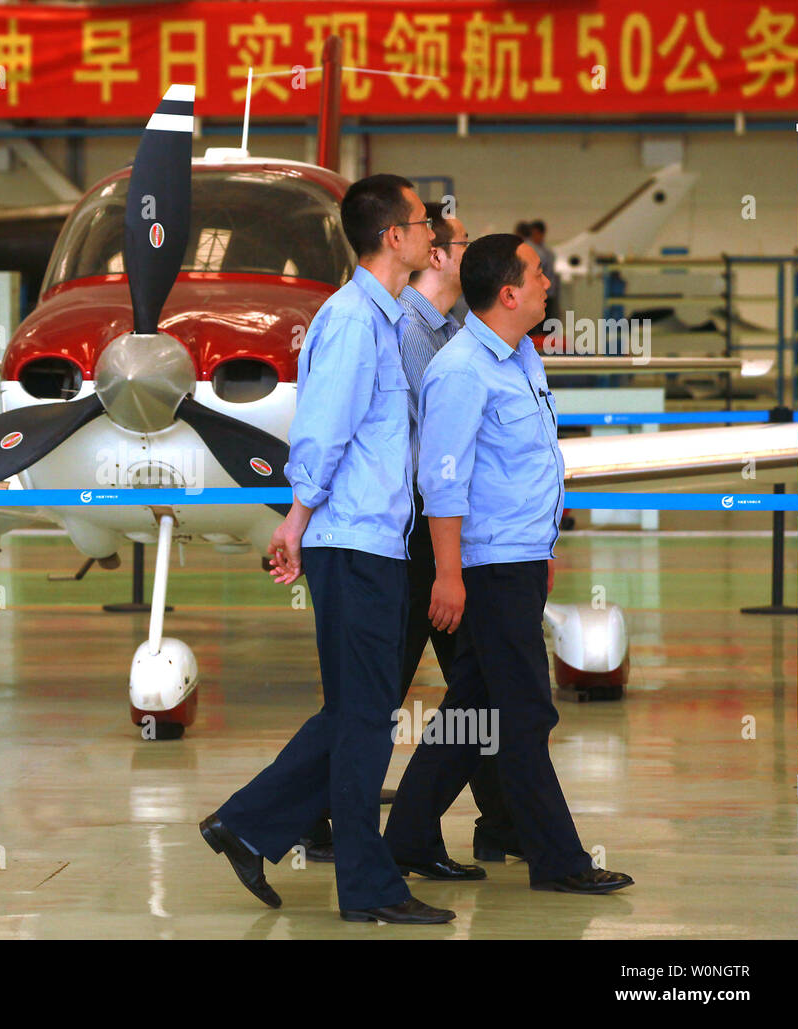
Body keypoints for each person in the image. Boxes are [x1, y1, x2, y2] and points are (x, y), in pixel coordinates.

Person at [199, 174, 455, 925]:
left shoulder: (378, 317)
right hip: (353, 543)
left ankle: (246, 823)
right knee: (366, 719)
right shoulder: (351, 320)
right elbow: (323, 431)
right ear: (393, 237)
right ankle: (368, 887)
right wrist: (298, 516)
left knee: (354, 713)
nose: (431, 236)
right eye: (420, 222)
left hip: (370, 540)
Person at [382, 233, 634, 894]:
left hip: (521, 561)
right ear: (509, 293)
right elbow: (442, 479)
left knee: (477, 711)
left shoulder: (521, 357)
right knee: (525, 716)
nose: (550, 281)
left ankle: (404, 836)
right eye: (539, 273)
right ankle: (559, 861)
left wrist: (543, 550)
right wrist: (447, 574)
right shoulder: (462, 369)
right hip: (488, 567)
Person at [296, 202, 525, 876]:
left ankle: (493, 819)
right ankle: (318, 819)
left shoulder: (449, 328)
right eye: (456, 239)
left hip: (433, 536)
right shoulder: (402, 333)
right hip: (413, 537)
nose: (466, 250)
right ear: (437, 254)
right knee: (381, 691)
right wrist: (302, 513)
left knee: (473, 680)